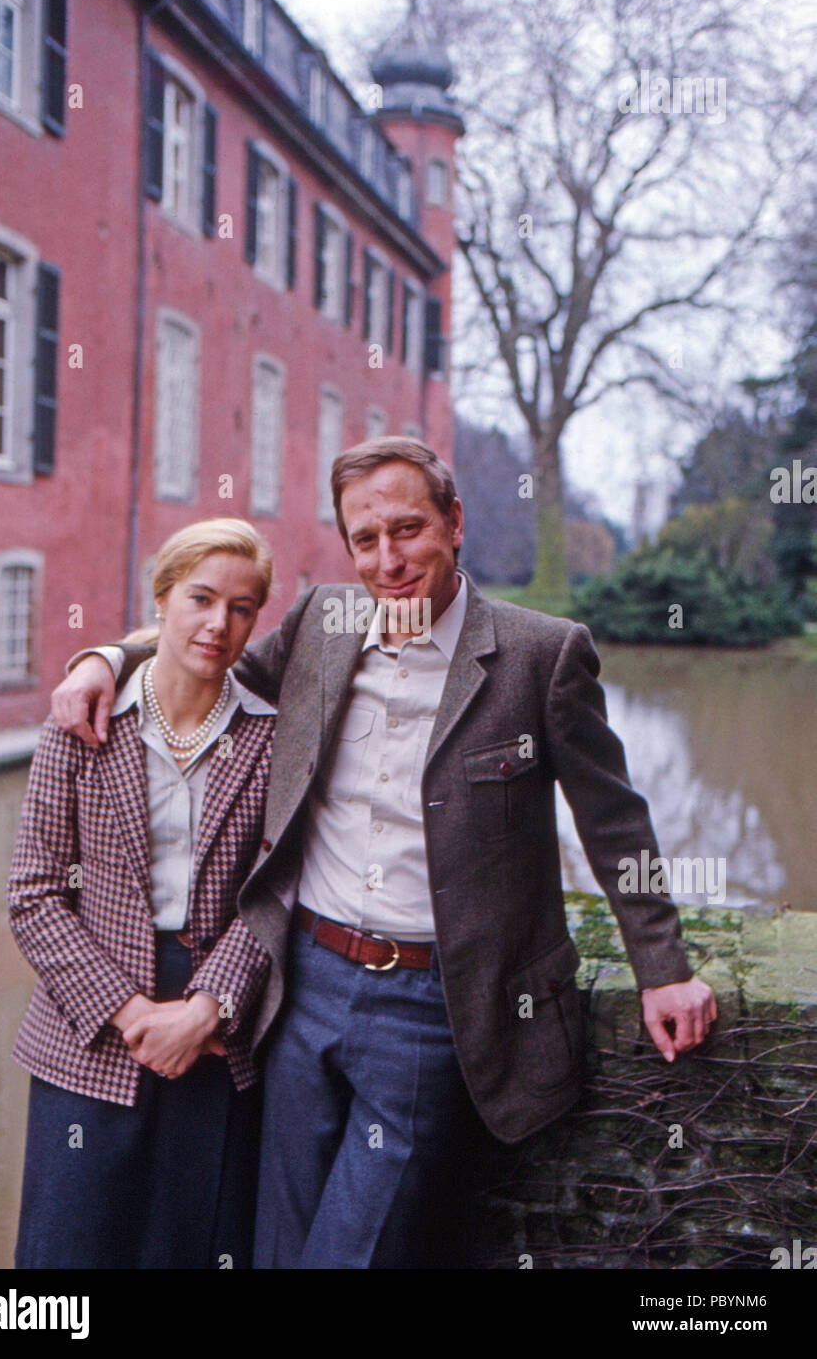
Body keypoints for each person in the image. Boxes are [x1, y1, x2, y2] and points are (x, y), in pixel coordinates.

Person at [52, 437, 717, 1270]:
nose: (388, 559)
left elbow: (613, 818)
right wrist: (106, 657)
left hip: (434, 1007)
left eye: (408, 530)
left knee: (354, 1255)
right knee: (277, 1247)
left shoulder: (538, 655)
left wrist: (659, 964)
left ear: (455, 522)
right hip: (302, 992)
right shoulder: (319, 626)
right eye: (364, 540)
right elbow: (203, 657)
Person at [9, 518, 277, 1269]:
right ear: (161, 598)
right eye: (200, 597)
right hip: (87, 1026)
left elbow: (274, 896)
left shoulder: (273, 738)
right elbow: (32, 895)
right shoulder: (80, 724)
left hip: (213, 1031)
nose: (218, 624)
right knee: (65, 1259)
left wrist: (201, 1011)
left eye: (242, 607)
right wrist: (132, 1016)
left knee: (188, 1247)